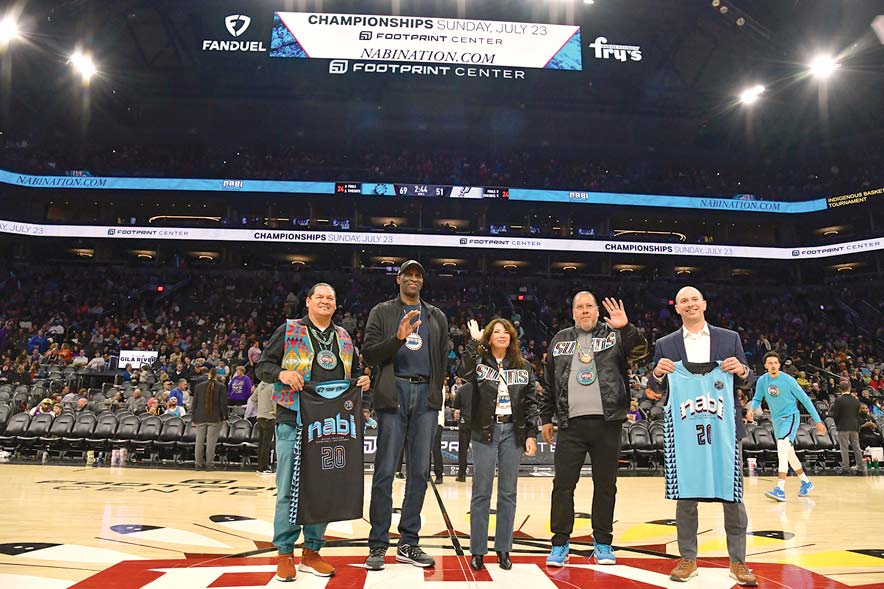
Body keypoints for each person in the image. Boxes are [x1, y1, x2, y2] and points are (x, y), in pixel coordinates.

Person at [256, 282, 370, 582]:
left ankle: (312, 552)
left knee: (323, 489)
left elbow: (354, 372)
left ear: (336, 304)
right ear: (307, 302)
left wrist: (362, 381)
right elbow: (262, 366)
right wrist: (282, 373)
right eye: (319, 297)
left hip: (329, 425)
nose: (325, 301)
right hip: (293, 417)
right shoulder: (290, 329)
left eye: (330, 298)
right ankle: (284, 553)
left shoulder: (344, 336)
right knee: (288, 490)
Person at [649, 286, 757, 586]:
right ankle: (688, 559)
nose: (690, 304)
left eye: (694, 299)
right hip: (686, 432)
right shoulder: (665, 344)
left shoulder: (729, 338)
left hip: (725, 429)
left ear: (704, 304)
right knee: (686, 498)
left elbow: (749, 383)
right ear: (678, 308)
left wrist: (744, 372)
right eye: (683, 300)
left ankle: (738, 561)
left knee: (733, 499)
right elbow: (654, 390)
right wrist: (657, 374)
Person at [540, 292, 648, 568]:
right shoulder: (559, 339)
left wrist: (627, 328)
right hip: (570, 425)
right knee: (563, 486)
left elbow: (642, 352)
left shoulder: (615, 335)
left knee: (605, 486)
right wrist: (546, 418)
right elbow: (550, 382)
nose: (585, 311)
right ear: (573, 312)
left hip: (607, 423)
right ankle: (560, 542)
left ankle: (602, 541)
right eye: (580, 307)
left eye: (589, 306)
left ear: (597, 311)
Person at [362, 260, 450, 571]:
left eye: (418, 276)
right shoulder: (382, 312)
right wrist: (398, 338)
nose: (413, 279)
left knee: (420, 473)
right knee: (385, 471)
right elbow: (370, 353)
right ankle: (377, 544)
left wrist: (438, 391)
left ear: (422, 282)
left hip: (425, 395)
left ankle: (409, 543)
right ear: (398, 279)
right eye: (408, 275)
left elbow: (442, 357)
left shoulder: (435, 315)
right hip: (393, 394)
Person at [459, 318, 538, 572]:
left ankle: (504, 548)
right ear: (489, 337)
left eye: (506, 332)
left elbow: (529, 402)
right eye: (496, 332)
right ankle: (478, 550)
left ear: (512, 337)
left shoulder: (523, 366)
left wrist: (531, 433)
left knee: (508, 493)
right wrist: (473, 343)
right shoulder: (480, 363)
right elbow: (464, 371)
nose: (502, 335)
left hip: (513, 432)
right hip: (485, 430)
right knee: (481, 492)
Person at [747, 352, 827, 500]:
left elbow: (805, 399)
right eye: (770, 363)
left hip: (790, 417)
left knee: (782, 448)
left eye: (775, 363)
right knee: (789, 452)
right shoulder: (762, 381)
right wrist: (751, 410)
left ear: (779, 365)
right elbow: (757, 398)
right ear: (765, 366)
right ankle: (806, 482)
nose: (773, 365)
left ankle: (780, 488)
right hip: (776, 420)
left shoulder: (788, 380)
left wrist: (818, 421)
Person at [191, 368, 228, 471]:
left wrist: (193, 416)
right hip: (214, 417)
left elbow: (194, 403)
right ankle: (209, 464)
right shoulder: (221, 386)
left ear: (208, 375)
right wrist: (225, 416)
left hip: (200, 416)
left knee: (199, 441)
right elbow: (223, 404)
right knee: (211, 441)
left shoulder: (198, 386)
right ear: (217, 376)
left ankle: (198, 464)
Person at [830, 380, 866, 475]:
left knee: (844, 448)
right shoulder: (855, 400)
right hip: (854, 426)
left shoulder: (839, 400)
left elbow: (835, 414)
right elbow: (858, 414)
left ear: (840, 389)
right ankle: (861, 468)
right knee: (857, 448)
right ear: (849, 388)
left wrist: (838, 423)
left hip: (843, 426)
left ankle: (846, 468)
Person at [251, 381, 276, 474]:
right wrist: (275, 412)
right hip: (269, 417)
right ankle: (264, 467)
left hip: (260, 416)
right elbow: (275, 400)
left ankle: (260, 466)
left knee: (261, 443)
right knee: (266, 443)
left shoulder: (261, 384)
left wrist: (259, 408)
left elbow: (253, 399)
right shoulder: (273, 386)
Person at [452, 381, 474, 482]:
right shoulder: (481, 387)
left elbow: (455, 404)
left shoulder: (462, 388)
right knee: (479, 449)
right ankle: (477, 475)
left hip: (465, 419)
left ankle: (461, 474)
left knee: (463, 449)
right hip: (478, 421)